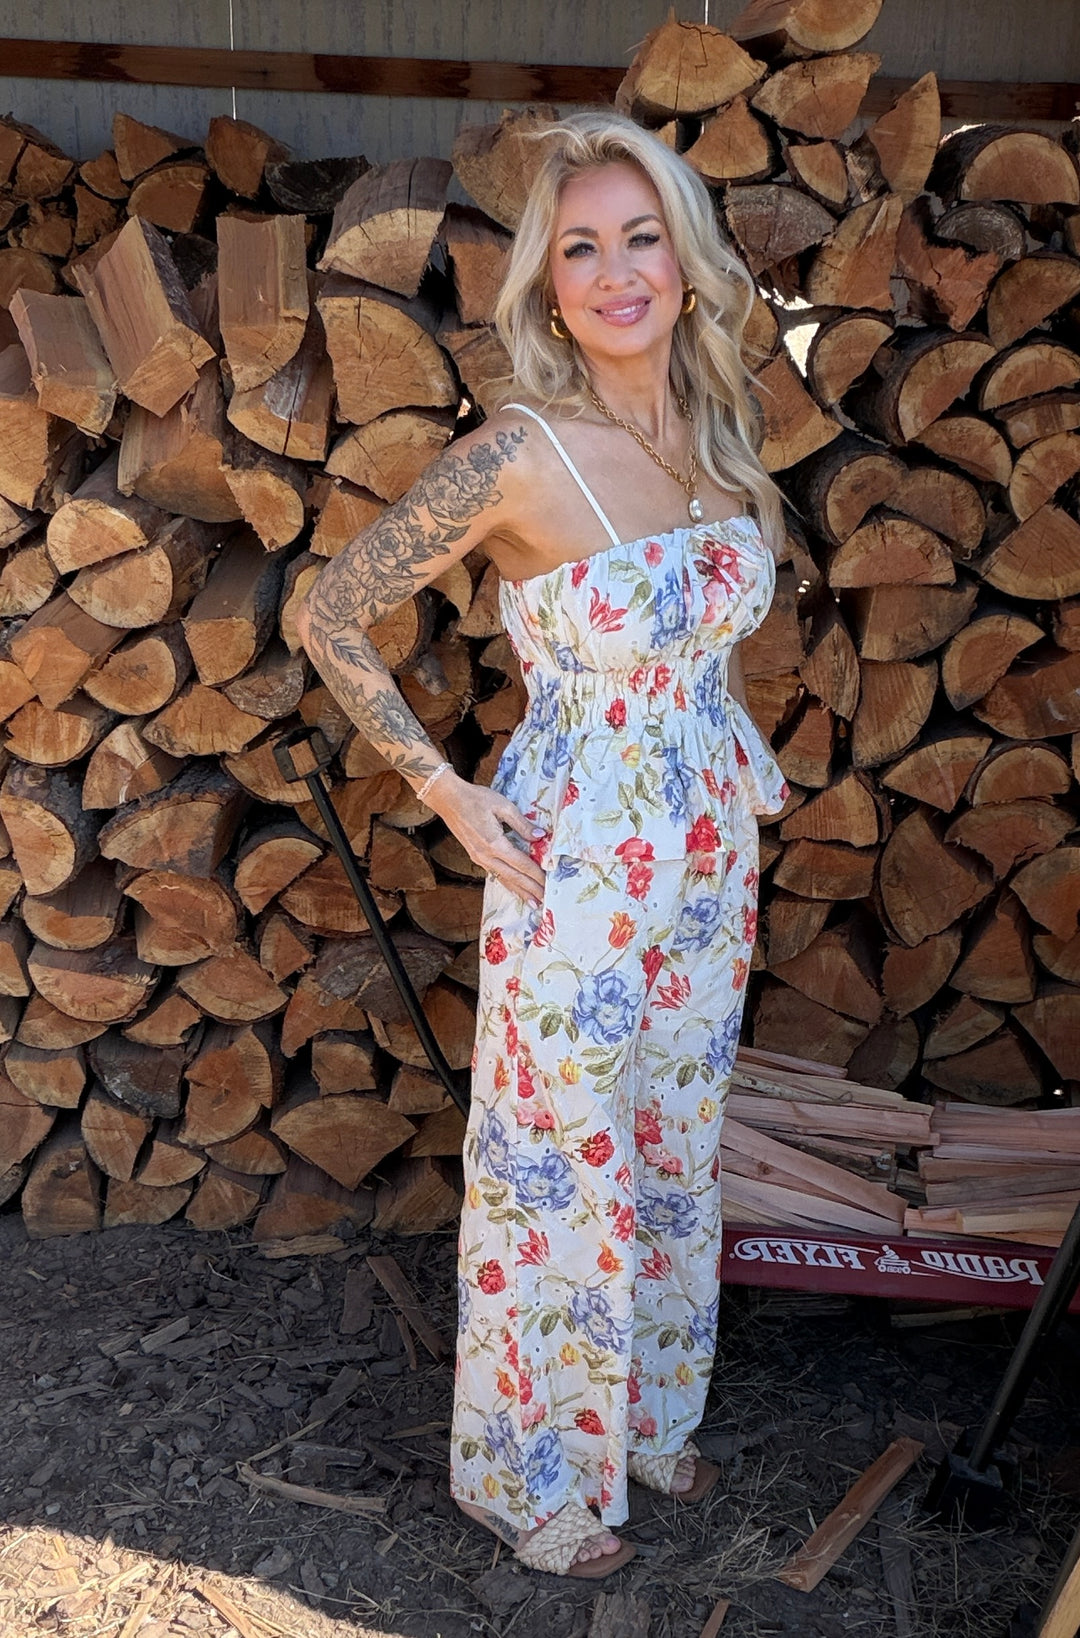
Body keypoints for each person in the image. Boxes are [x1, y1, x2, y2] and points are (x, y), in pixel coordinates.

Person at [296, 110, 790, 1581]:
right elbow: (328, 611)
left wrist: (722, 769)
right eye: (582, 248)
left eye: (643, 237)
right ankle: (532, 1475)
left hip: (707, 852)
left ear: (686, 264)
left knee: (675, 1136)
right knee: (557, 1158)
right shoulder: (516, 454)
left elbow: (703, 642)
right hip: (576, 861)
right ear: (549, 286)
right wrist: (445, 792)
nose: (618, 271)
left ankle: (646, 1411)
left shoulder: (717, 432)